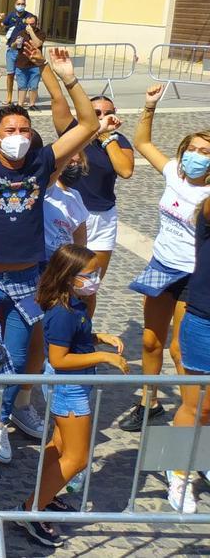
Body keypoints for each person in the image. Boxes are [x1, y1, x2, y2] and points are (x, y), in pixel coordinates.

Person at [0, 51, 99, 461]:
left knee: (14, 361)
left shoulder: (42, 163)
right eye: (10, 129)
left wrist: (68, 80)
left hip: (27, 279)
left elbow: (88, 124)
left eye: (25, 129)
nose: (19, 134)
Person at [17, 244, 127, 548]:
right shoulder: (64, 312)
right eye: (90, 274)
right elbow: (60, 358)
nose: (96, 279)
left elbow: (72, 341)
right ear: (69, 276)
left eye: (97, 273)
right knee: (77, 459)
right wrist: (103, 358)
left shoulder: (75, 304)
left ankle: (43, 497)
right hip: (70, 388)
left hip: (71, 385)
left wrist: (97, 337)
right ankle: (30, 510)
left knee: (59, 446)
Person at [121, 85, 210, 432]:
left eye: (206, 152)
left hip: (192, 275)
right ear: (183, 150)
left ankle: (194, 411)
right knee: (149, 339)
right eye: (193, 149)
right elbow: (142, 144)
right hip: (162, 265)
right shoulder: (174, 171)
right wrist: (148, 107)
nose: (197, 155)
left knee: (177, 348)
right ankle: (149, 401)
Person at [50, 92, 133, 315]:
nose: (103, 116)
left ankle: (83, 330)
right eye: (97, 113)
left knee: (89, 286)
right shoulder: (75, 133)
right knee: (60, 280)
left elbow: (125, 169)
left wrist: (107, 138)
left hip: (103, 218)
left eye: (109, 113)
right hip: (72, 214)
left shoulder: (119, 141)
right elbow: (56, 100)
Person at [168, 191, 210, 514]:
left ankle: (204, 457)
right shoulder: (206, 216)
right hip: (204, 322)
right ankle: (177, 470)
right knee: (198, 406)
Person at [43, 152, 89, 260]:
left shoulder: (75, 195)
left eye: (78, 163)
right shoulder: (47, 190)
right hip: (43, 258)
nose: (74, 167)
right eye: (70, 162)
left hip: (63, 259)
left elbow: (80, 236)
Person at [0, 0, 34, 106]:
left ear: (25, 5)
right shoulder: (11, 15)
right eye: (19, 3)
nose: (20, 5)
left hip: (22, 50)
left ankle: (21, 98)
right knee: (10, 74)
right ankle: (9, 97)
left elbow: (33, 27)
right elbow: (2, 26)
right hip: (11, 49)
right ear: (15, 4)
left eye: (23, 4)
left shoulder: (29, 16)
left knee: (21, 74)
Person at [12, 15, 45, 109]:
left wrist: (31, 32)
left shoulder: (40, 33)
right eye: (27, 24)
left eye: (32, 24)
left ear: (36, 24)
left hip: (34, 64)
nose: (29, 26)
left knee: (33, 86)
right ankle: (20, 104)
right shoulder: (20, 33)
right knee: (22, 85)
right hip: (21, 63)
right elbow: (13, 46)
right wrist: (15, 43)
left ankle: (32, 104)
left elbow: (37, 44)